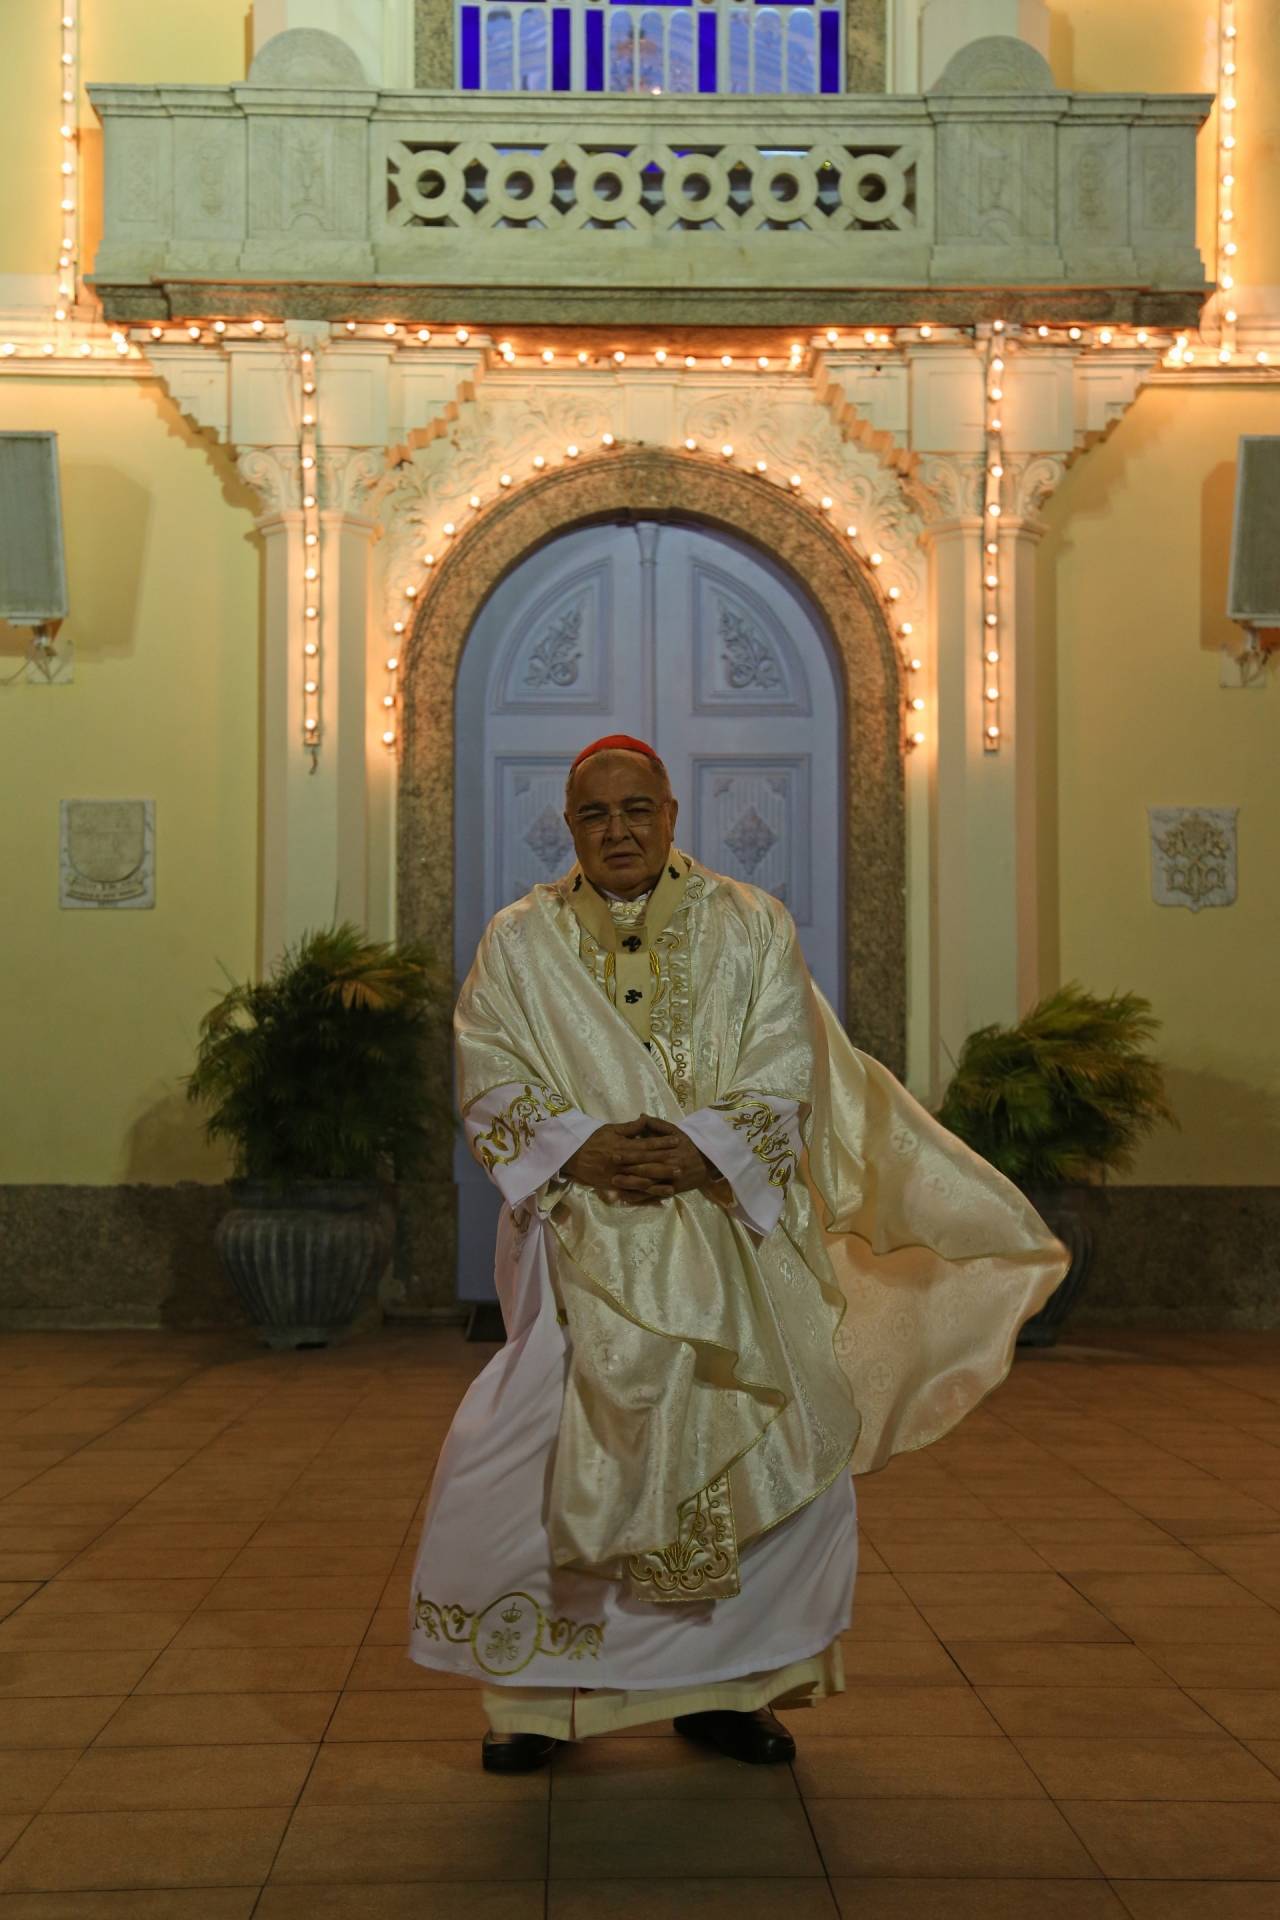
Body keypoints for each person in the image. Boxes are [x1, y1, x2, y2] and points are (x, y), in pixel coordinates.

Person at [407, 733, 1068, 1773]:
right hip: (579, 1239)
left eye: (637, 810)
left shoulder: (750, 924)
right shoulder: (518, 941)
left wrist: (704, 1147)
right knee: (529, 1451)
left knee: (764, 1454)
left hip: (725, 1232)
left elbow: (782, 1059)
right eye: (594, 815)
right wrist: (579, 1149)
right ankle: (542, 1704)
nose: (617, 830)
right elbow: (486, 1067)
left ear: (671, 814)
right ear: (567, 825)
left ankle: (730, 1692)